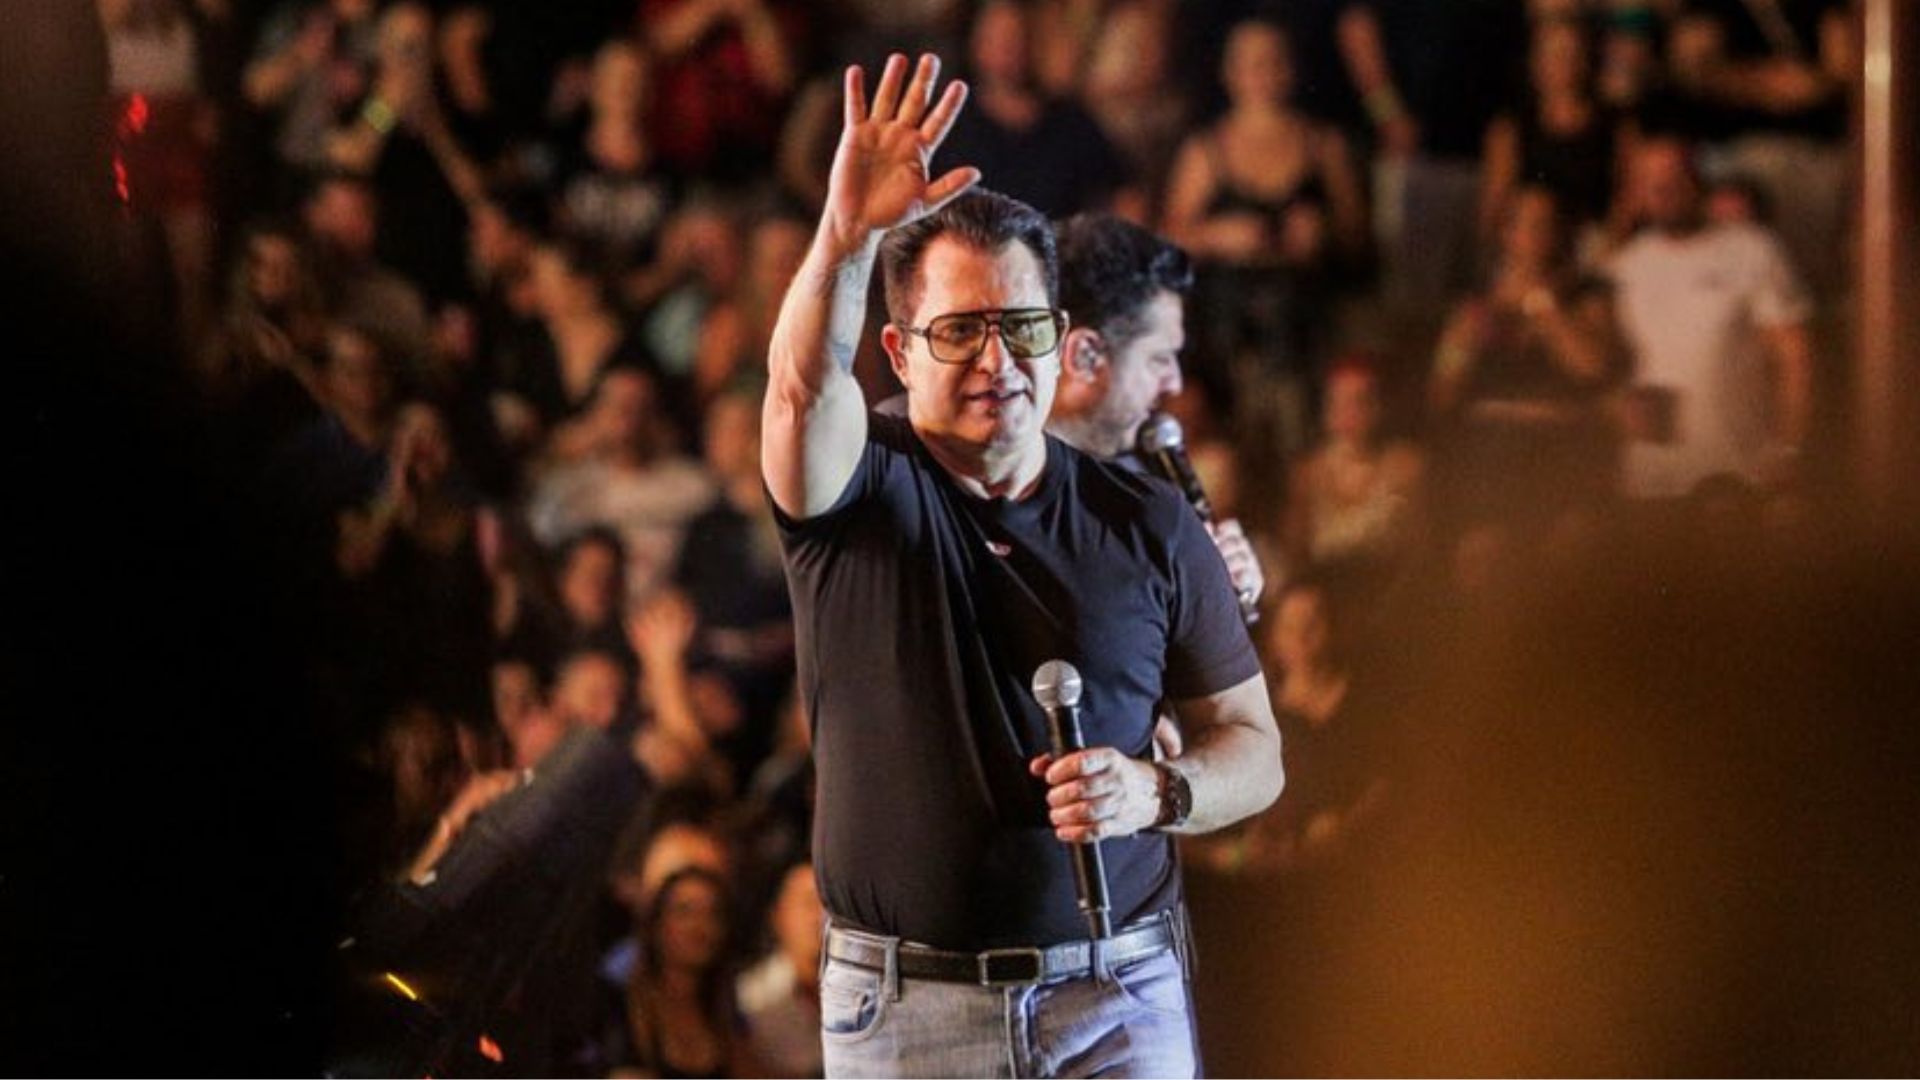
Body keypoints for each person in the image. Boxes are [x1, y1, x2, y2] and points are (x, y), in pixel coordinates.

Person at [761, 53, 1282, 1077]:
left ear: (1061, 342)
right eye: (959, 331)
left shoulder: (1149, 521)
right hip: (910, 1012)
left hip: (1120, 992)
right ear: (902, 353)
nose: (996, 361)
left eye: (1021, 327)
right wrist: (848, 237)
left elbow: (1254, 748)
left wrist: (1156, 791)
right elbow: (800, 384)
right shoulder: (862, 486)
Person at [1049, 211, 1265, 615]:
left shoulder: (1146, 491)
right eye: (1158, 359)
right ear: (1084, 355)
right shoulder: (949, 473)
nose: (1175, 384)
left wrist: (1217, 608)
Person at [1607, 136, 1813, 501]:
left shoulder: (1752, 249)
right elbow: (1609, 365)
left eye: (1672, 176)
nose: (1662, 190)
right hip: (1653, 480)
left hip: (1737, 476)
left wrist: (1788, 450)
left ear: (1697, 179)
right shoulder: (1627, 266)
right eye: (1650, 181)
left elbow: (1794, 356)